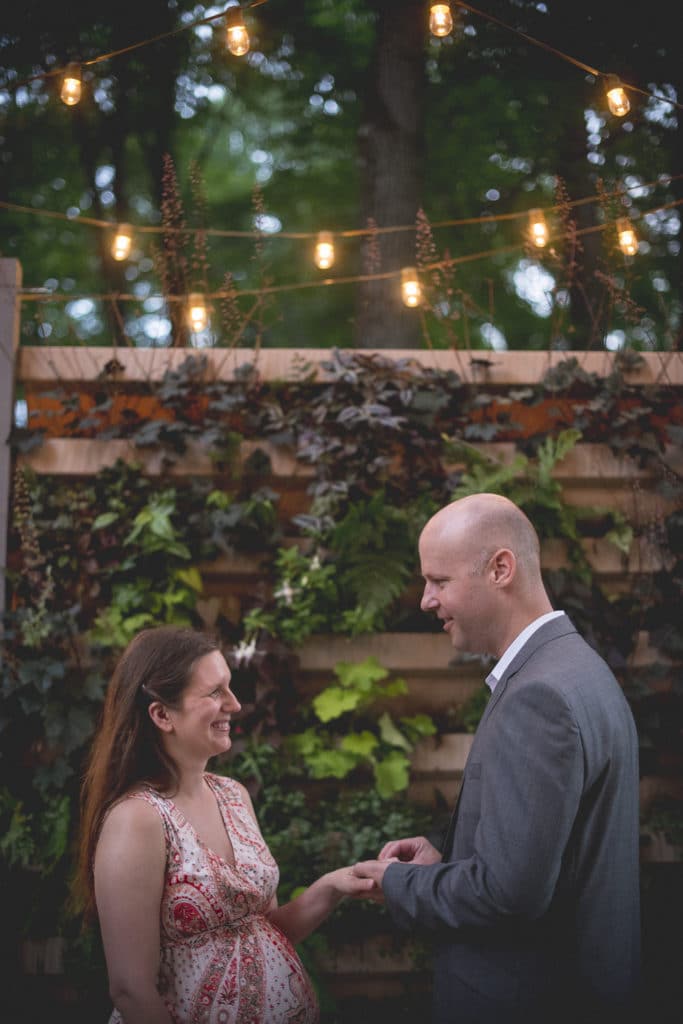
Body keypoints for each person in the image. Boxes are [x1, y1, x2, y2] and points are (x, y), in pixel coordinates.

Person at [352, 492, 641, 1024]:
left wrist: (396, 883)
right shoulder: (579, 668)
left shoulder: (540, 695)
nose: (424, 600)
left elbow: (509, 898)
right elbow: (555, 853)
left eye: (439, 581)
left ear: (500, 570)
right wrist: (452, 853)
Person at [75, 625, 374, 1024]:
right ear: (162, 715)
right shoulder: (137, 820)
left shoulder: (233, 796)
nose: (234, 704)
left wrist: (334, 885)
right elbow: (131, 989)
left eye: (229, 688)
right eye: (216, 692)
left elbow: (264, 929)